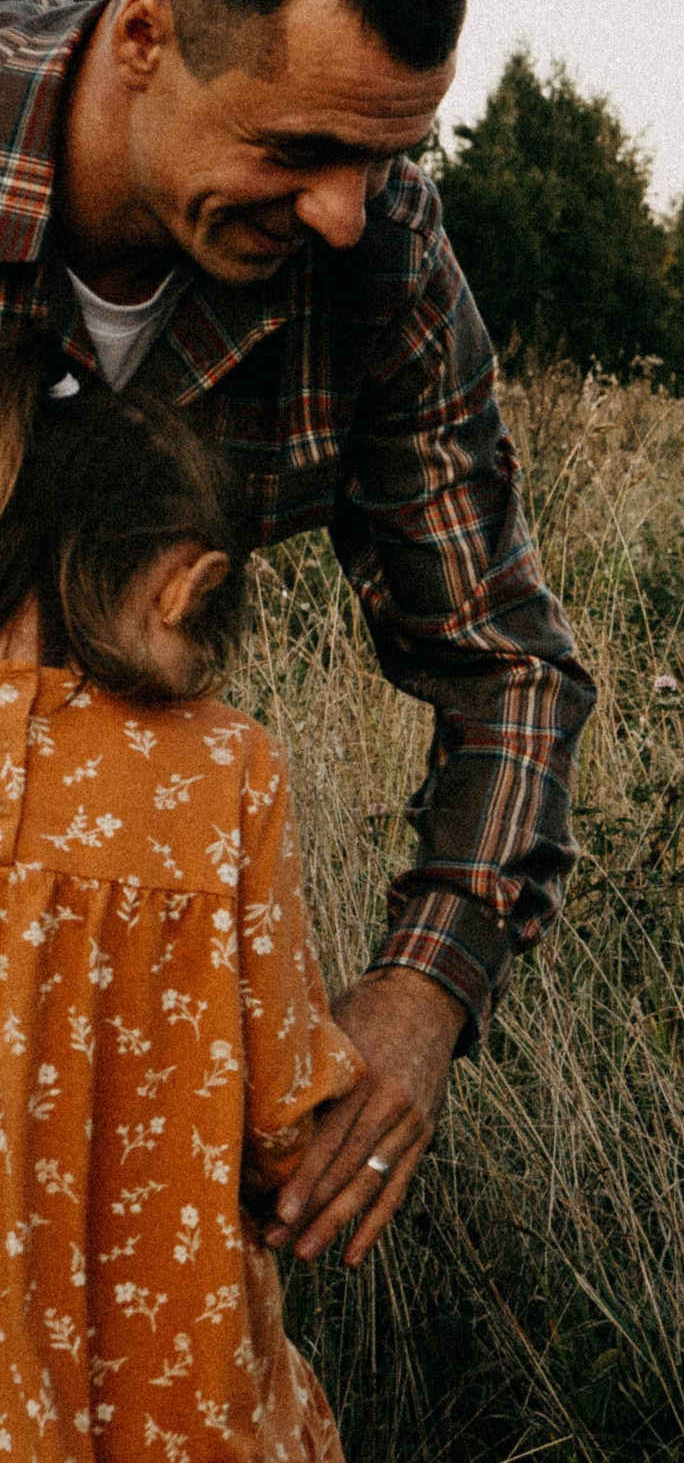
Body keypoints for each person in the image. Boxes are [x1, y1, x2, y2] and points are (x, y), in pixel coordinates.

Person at [0, 0, 594, 1269]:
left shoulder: (382, 262)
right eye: (305, 146)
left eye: (388, 153)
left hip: (101, 970)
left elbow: (507, 663)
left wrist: (423, 992)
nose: (344, 209)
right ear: (145, 39)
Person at [0, 373, 364, 1460]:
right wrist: (290, 1158)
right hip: (170, 1361)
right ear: (186, 582)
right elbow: (282, 1101)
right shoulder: (226, 767)